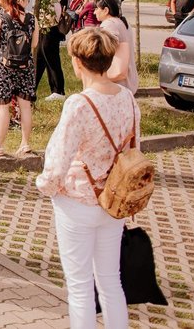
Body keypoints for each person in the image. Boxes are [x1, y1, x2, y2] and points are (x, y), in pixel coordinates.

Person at [36, 28, 138, 329]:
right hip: (113, 200)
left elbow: (59, 157)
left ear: (77, 62)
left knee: (80, 285)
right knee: (110, 280)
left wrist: (47, 186)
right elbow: (135, 151)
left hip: (77, 200)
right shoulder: (129, 100)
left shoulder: (79, 104)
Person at [0, 0, 39, 156]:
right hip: (26, 66)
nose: (28, 2)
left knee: (3, 107)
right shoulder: (32, 19)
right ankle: (25, 144)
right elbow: (34, 44)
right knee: (25, 106)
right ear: (20, 1)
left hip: (5, 66)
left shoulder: (1, 18)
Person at [94, 0, 138, 94]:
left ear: (105, 10)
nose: (94, 12)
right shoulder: (121, 22)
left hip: (117, 81)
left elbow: (109, 46)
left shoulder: (109, 24)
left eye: (96, 8)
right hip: (127, 79)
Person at [35, 0, 68, 102]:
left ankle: (58, 90)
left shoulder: (52, 0)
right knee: (39, 59)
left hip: (50, 31)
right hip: (43, 30)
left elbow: (56, 17)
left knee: (52, 60)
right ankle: (32, 87)